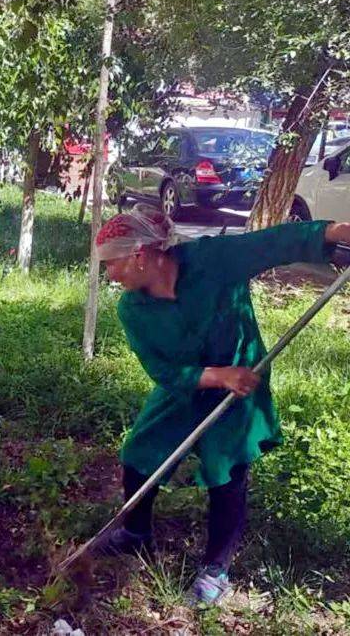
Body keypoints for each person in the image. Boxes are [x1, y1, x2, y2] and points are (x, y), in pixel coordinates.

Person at [93, 205, 350, 606]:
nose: (109, 275)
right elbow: (161, 369)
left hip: (238, 390)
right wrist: (215, 375)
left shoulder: (212, 260)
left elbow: (272, 244)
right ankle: (136, 534)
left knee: (225, 469)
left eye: (111, 264)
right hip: (188, 386)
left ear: (140, 254)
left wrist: (336, 231)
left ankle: (216, 569)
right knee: (139, 452)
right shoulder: (133, 308)